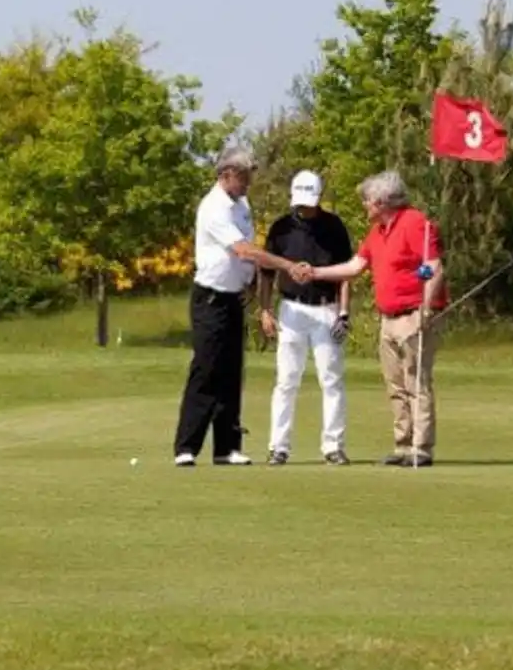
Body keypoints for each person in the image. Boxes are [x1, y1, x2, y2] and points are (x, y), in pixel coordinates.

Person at [172, 146, 310, 467]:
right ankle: (186, 446)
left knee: (232, 371)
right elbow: (245, 251)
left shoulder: (241, 204)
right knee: (207, 369)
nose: (248, 184)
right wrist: (287, 265)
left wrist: (250, 283)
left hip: (234, 297)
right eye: (244, 178)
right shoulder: (213, 208)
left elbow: (247, 254)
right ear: (227, 175)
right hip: (210, 298)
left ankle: (226, 446)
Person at [300, 170, 448, 467]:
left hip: (414, 314)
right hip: (388, 317)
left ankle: (421, 447)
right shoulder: (378, 232)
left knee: (416, 382)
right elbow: (356, 266)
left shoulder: (415, 223)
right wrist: (315, 272)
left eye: (367, 201)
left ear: (382, 201)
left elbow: (433, 266)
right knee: (395, 385)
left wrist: (426, 308)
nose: (364, 206)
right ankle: (403, 444)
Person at [259, 170, 355, 466]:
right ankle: (278, 446)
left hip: (326, 309)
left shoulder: (334, 227)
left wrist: (344, 312)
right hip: (291, 309)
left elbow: (346, 273)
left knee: (331, 380)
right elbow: (265, 272)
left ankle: (333, 446)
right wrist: (265, 310)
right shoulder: (281, 228)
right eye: (301, 202)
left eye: (309, 202)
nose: (305, 208)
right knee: (287, 380)